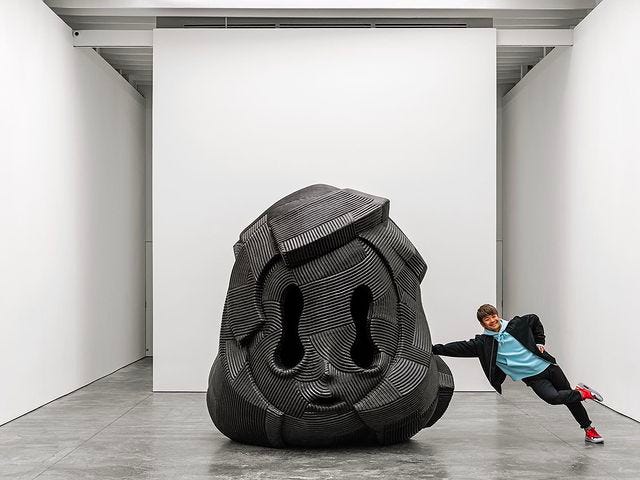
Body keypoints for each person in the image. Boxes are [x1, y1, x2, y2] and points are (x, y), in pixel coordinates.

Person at [431, 304, 604, 444]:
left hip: (550, 367)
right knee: (552, 398)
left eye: (493, 316)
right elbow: (457, 347)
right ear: (482, 324)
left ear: (497, 315)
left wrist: (540, 341)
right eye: (487, 319)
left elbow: (534, 319)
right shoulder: (484, 343)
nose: (492, 320)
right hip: (533, 378)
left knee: (571, 401)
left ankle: (589, 429)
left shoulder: (516, 325)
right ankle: (583, 393)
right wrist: (433, 349)